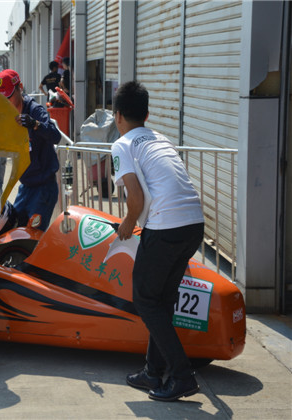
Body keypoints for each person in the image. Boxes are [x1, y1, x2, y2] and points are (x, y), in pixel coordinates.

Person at [111, 81, 205, 402]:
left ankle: (182, 375)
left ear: (117, 115)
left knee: (145, 300)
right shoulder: (160, 138)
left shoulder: (122, 144)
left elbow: (135, 198)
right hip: (193, 224)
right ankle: (153, 371)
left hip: (166, 227)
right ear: (147, 114)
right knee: (161, 301)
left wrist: (127, 223)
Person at [0, 69, 61, 230]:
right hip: (25, 187)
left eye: (9, 96)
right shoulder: (6, 117)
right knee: (12, 231)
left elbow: (56, 136)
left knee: (32, 236)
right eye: (2, 98)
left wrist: (35, 125)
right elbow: (0, 154)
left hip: (43, 188)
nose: (7, 102)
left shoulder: (35, 111)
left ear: (20, 87)